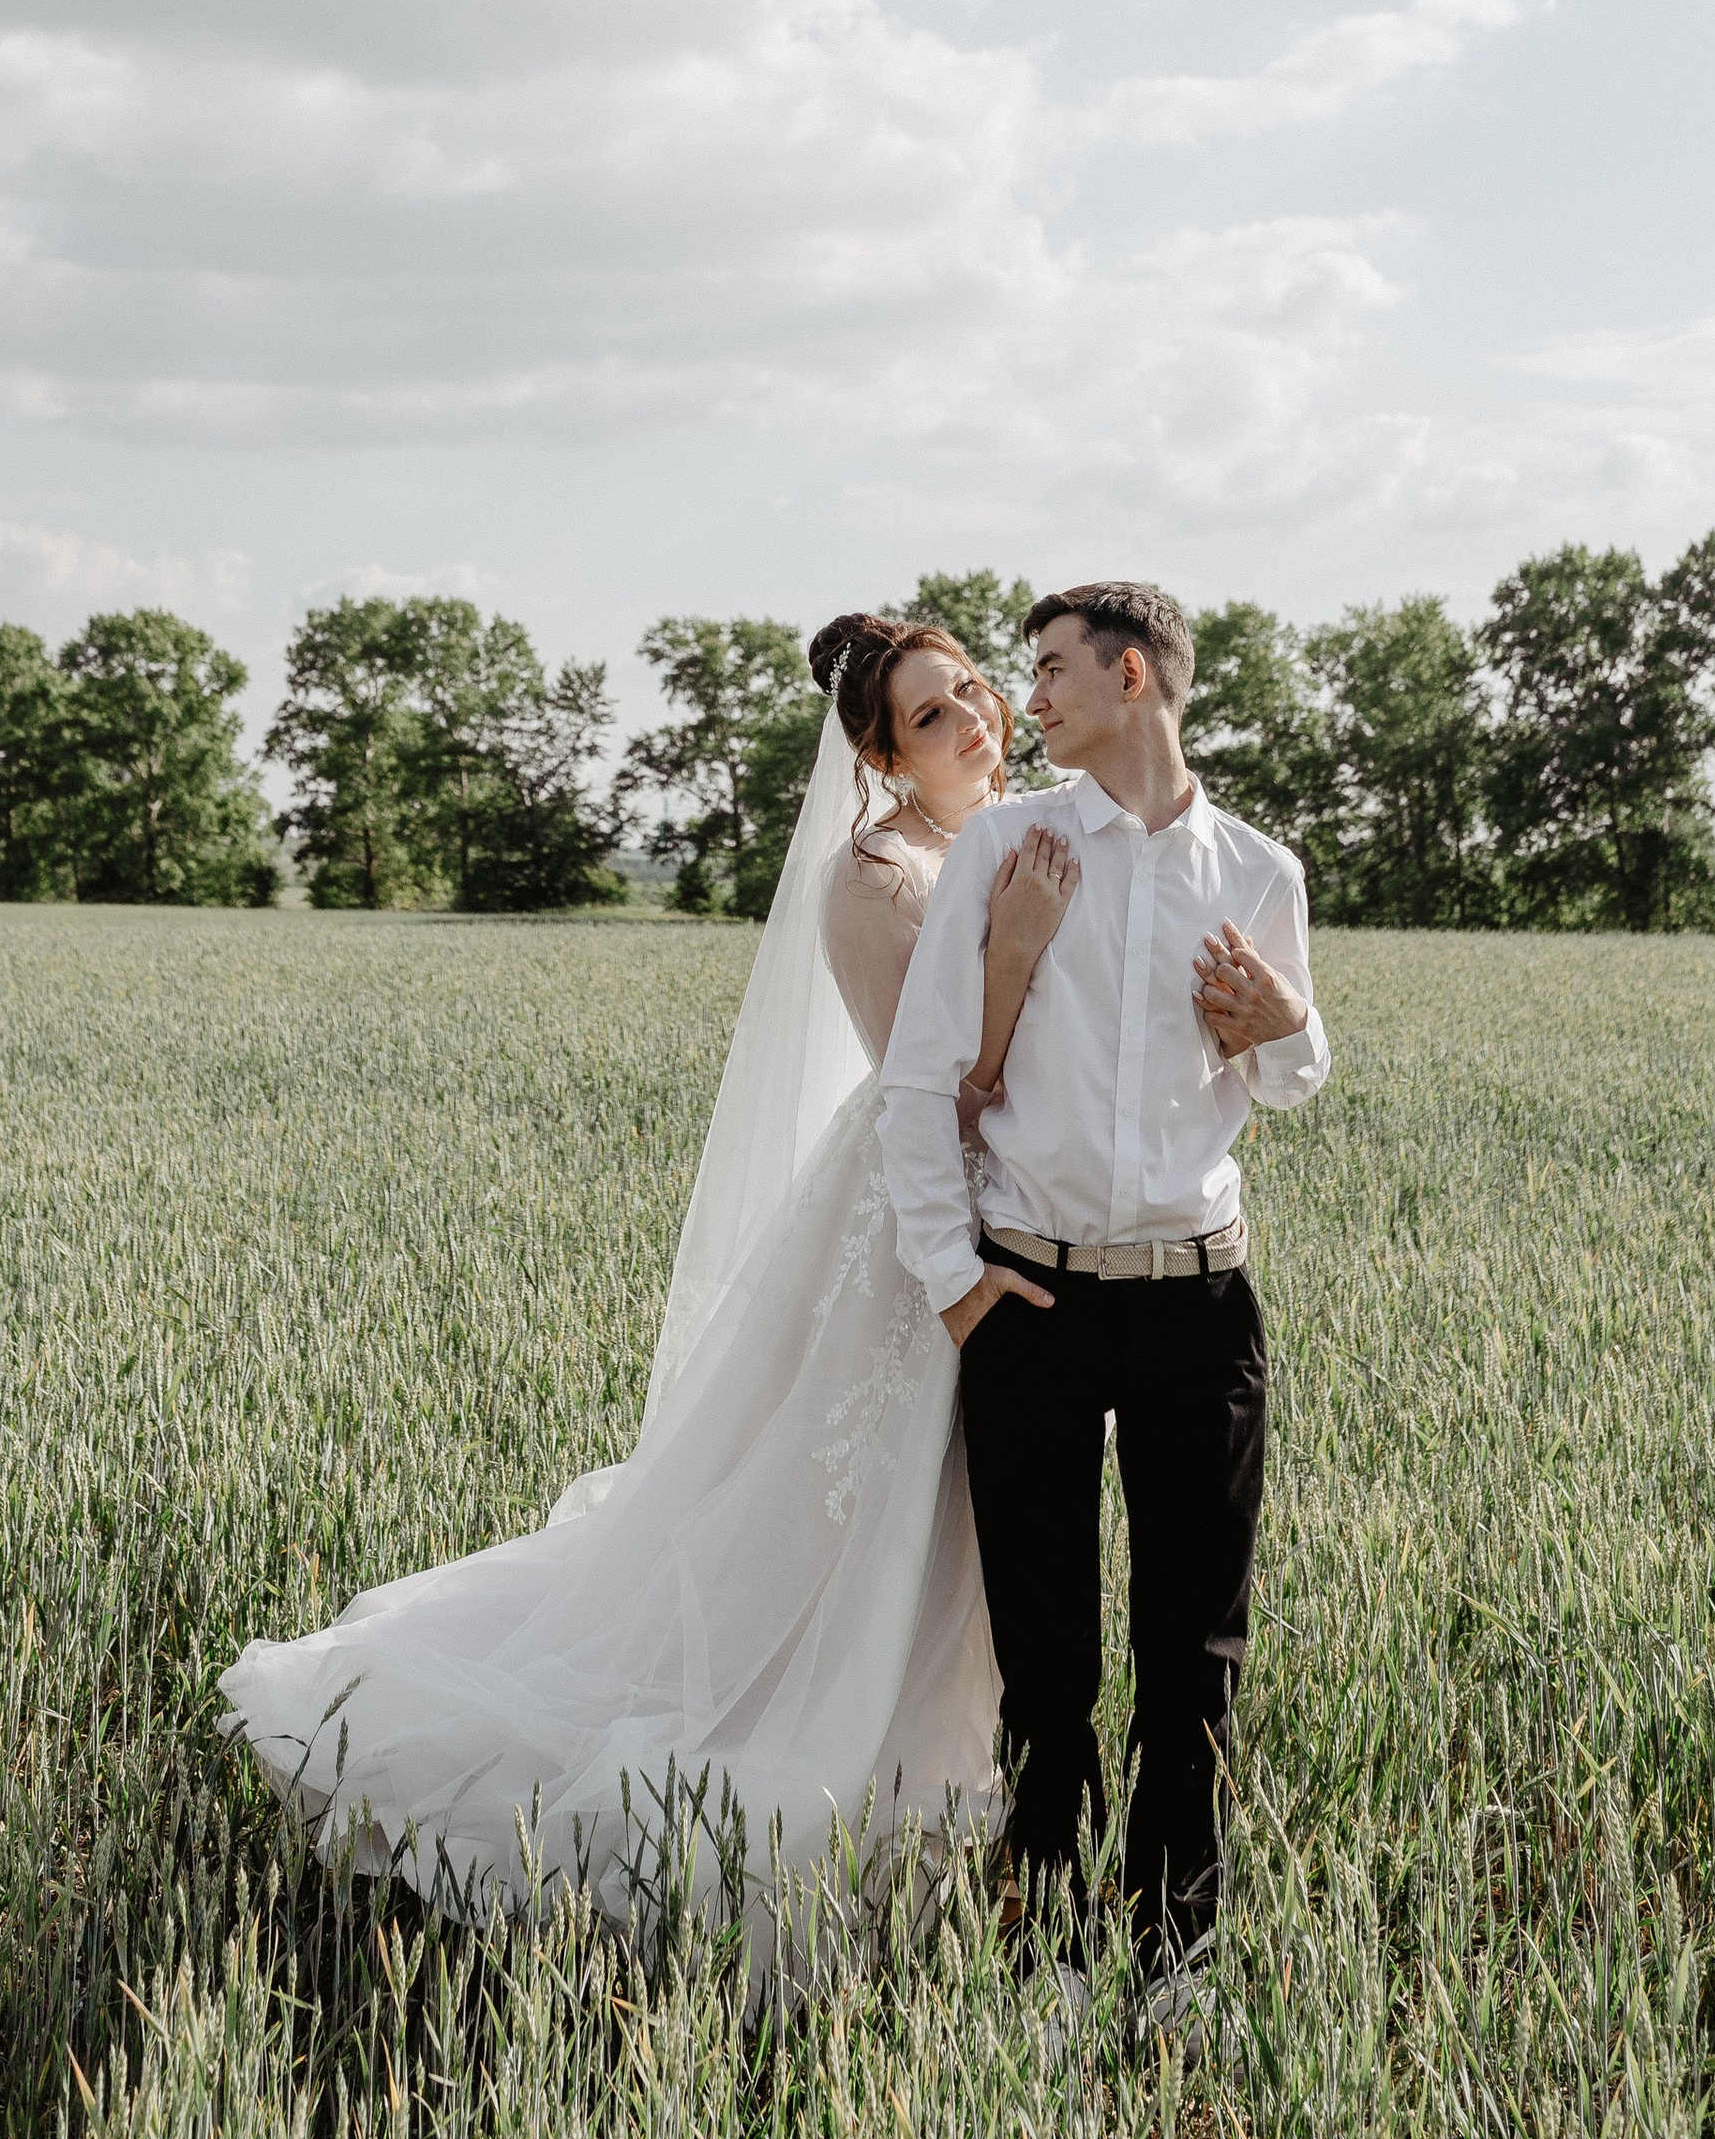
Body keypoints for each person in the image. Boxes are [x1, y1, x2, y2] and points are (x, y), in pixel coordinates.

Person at [220, 610, 1080, 1954]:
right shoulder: (876, 878)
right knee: (884, 1509)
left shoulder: (1039, 828)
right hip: (916, 1229)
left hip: (1041, 1214)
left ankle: (984, 1781)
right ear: (880, 755)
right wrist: (1021, 948)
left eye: (972, 688)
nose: (972, 717)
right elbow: (948, 1084)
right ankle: (851, 1769)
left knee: (988, 1520)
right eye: (929, 713)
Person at [878, 578, 1330, 1979]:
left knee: (1195, 1668)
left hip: (1201, 1306)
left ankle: (1176, 1964)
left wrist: (1291, 1026)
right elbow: (917, 1081)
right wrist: (956, 1281)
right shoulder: (1005, 850)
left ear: (1136, 677)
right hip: (1034, 1306)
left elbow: (1293, 1074)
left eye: (1057, 669)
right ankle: (1048, 1964)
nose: (1034, 698)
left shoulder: (1261, 871)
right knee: (1050, 1676)